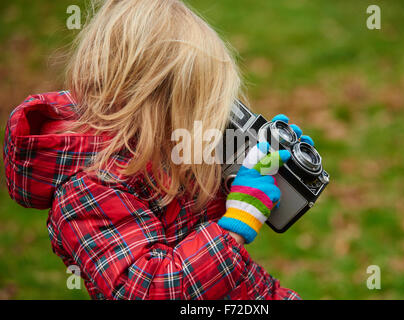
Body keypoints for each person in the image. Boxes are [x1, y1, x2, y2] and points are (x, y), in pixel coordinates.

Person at [3, 0, 313, 300]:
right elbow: (150, 290)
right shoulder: (87, 193)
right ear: (152, 105)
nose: (208, 123)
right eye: (197, 106)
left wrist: (254, 165)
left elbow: (192, 221)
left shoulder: (161, 149)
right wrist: (238, 221)